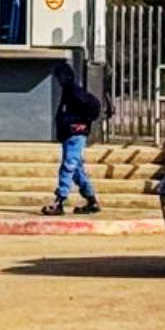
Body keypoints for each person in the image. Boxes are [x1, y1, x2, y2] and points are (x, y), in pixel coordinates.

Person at [42, 62, 102, 216]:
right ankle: (91, 200)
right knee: (77, 170)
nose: (58, 81)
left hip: (75, 135)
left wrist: (81, 123)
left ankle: (60, 201)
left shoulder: (74, 92)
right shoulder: (69, 92)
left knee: (68, 166)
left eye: (59, 77)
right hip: (70, 135)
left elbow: (93, 106)